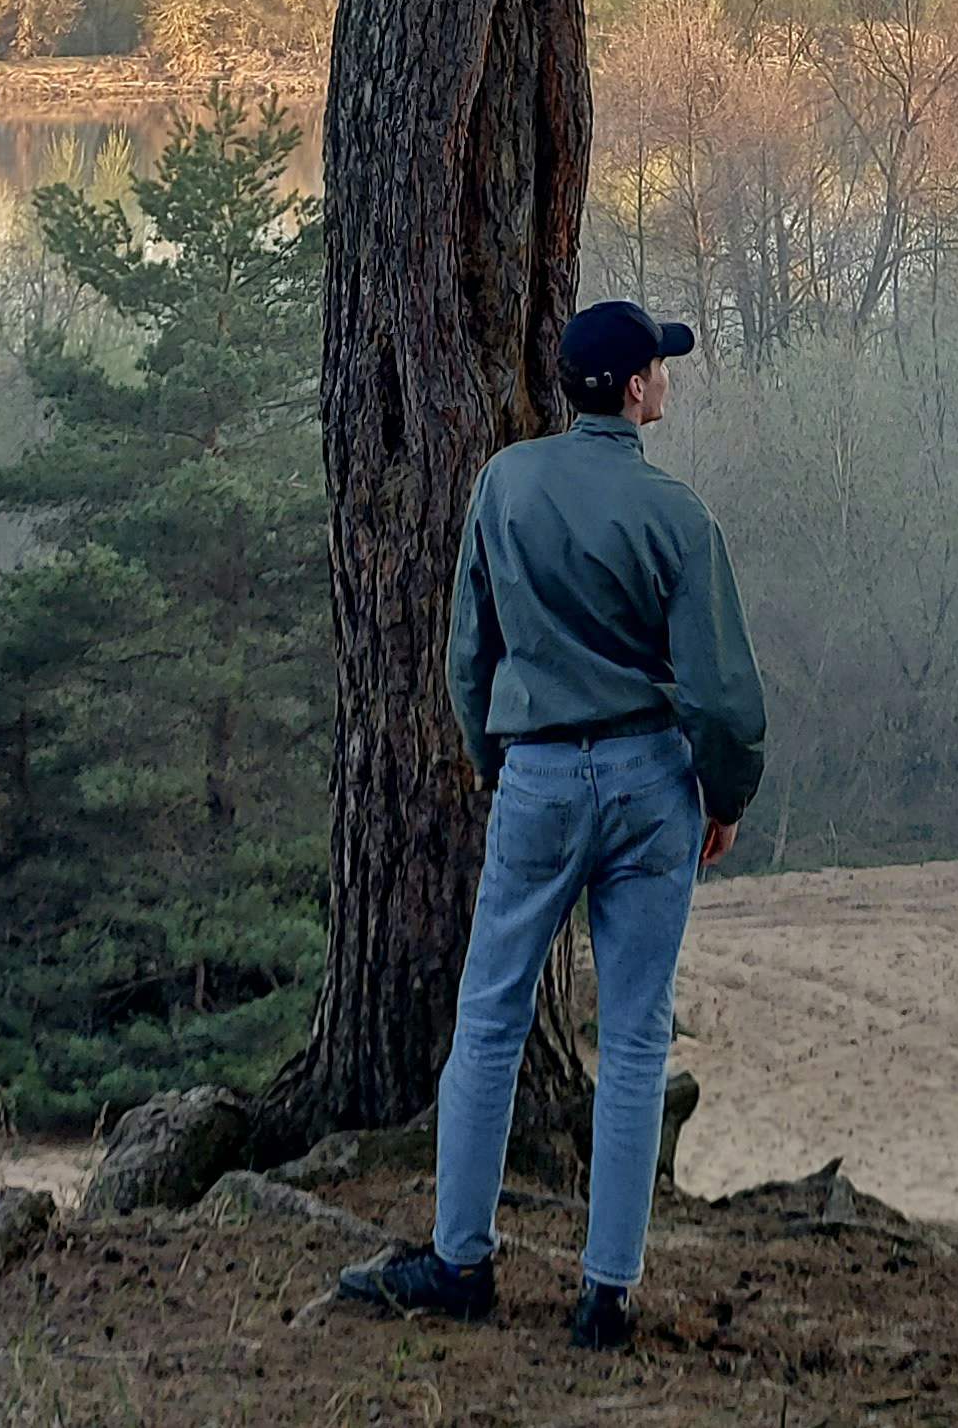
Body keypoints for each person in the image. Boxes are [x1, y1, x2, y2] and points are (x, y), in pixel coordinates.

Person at [337, 294, 766, 1354]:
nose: (665, 376)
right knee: (631, 1042)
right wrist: (725, 796)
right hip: (647, 783)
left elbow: (467, 655)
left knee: (488, 1022)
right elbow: (720, 698)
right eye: (658, 366)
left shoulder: (505, 484)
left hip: (534, 777)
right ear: (631, 390)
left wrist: (499, 762)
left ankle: (459, 1262)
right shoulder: (677, 516)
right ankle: (605, 1297)